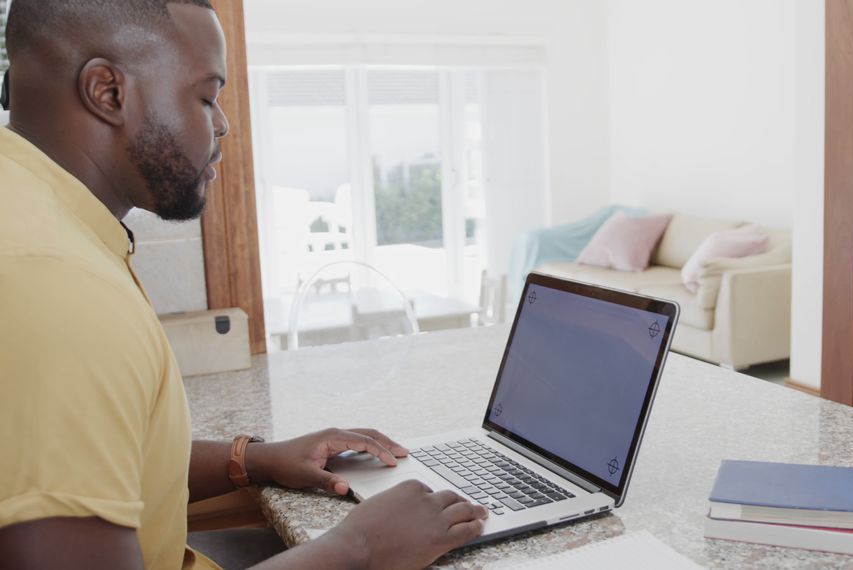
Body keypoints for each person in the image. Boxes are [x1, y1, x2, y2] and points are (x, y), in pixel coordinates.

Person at [0, 1, 487, 568]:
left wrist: (253, 459)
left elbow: (102, 458)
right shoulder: (53, 285)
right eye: (206, 96)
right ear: (108, 91)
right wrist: (360, 548)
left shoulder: (36, 217)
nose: (222, 123)